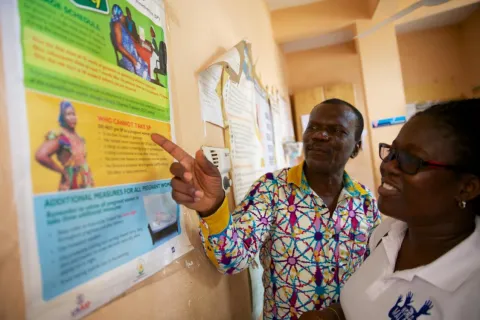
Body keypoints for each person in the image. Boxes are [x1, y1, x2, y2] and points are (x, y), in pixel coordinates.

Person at [151, 99, 381, 319]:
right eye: (314, 127)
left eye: (336, 131)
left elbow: (378, 271)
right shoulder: (271, 190)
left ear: (356, 147)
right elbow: (231, 260)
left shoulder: (365, 201)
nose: (320, 135)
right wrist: (212, 208)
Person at [300, 99, 480, 320]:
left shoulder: (471, 293)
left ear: (466, 188)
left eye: (411, 160)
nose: (387, 166)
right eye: (392, 153)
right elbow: (371, 302)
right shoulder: (387, 234)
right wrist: (333, 315)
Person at [35, 100, 94, 191]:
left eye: (73, 114)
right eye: (68, 114)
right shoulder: (60, 135)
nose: (72, 117)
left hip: (86, 183)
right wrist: (62, 171)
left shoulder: (79, 137)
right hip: (71, 183)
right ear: (62, 117)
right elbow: (41, 155)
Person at [110, 4, 150, 80]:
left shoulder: (121, 25)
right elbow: (119, 45)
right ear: (119, 15)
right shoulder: (117, 25)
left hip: (133, 54)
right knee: (145, 76)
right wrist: (133, 60)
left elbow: (129, 37)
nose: (124, 17)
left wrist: (136, 41)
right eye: (122, 15)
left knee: (145, 66)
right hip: (130, 59)